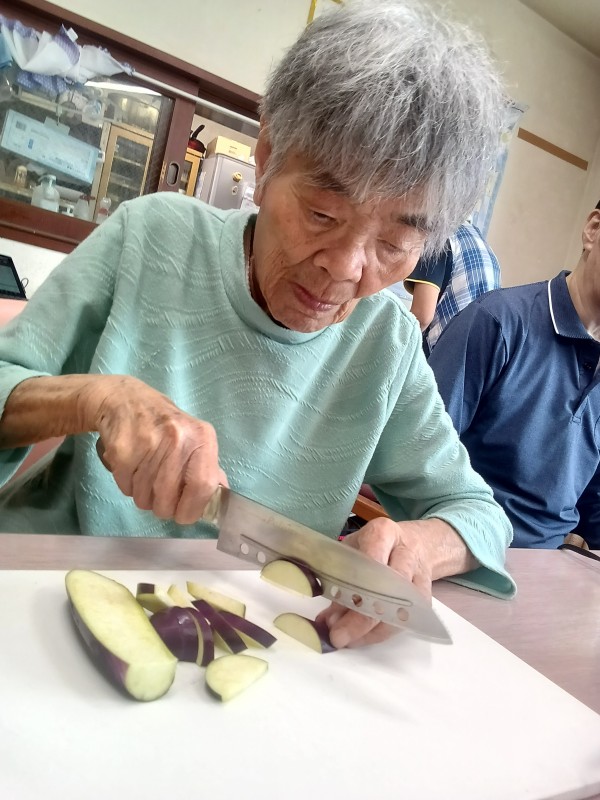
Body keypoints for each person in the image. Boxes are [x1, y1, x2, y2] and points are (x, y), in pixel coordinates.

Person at [0, 0, 515, 649]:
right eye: (323, 215)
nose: (346, 269)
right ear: (267, 154)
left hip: (236, 632)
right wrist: (95, 399)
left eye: (394, 244)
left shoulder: (385, 339)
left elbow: (478, 515)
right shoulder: (152, 237)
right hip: (45, 593)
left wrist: (417, 546)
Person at [429, 201, 600, 550]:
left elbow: (593, 506)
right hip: (460, 545)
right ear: (593, 230)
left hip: (551, 564)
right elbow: (420, 455)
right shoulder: (497, 321)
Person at [403, 222, 501, 355]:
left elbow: (421, 317)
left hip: (444, 353)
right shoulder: (481, 242)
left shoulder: (438, 236)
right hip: (478, 354)